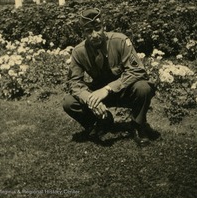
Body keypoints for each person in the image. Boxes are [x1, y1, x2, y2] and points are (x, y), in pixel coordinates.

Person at [63, 8, 160, 146]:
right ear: (83, 33)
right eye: (89, 31)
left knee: (144, 87)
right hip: (99, 93)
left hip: (124, 90)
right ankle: (100, 123)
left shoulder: (120, 41)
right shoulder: (79, 52)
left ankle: (138, 126)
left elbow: (138, 71)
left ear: (104, 27)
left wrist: (107, 89)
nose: (95, 34)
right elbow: (74, 83)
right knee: (69, 101)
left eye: (98, 28)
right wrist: (90, 100)